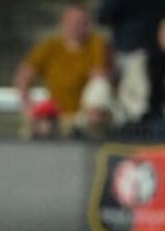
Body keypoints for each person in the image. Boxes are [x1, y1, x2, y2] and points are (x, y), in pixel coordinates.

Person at [14, 4, 110, 136]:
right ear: (62, 23)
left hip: (84, 117)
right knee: (35, 125)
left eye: (80, 23)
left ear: (88, 25)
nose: (75, 27)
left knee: (100, 86)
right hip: (57, 114)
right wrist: (28, 105)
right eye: (71, 22)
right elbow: (23, 77)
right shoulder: (49, 47)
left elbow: (100, 77)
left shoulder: (96, 44)